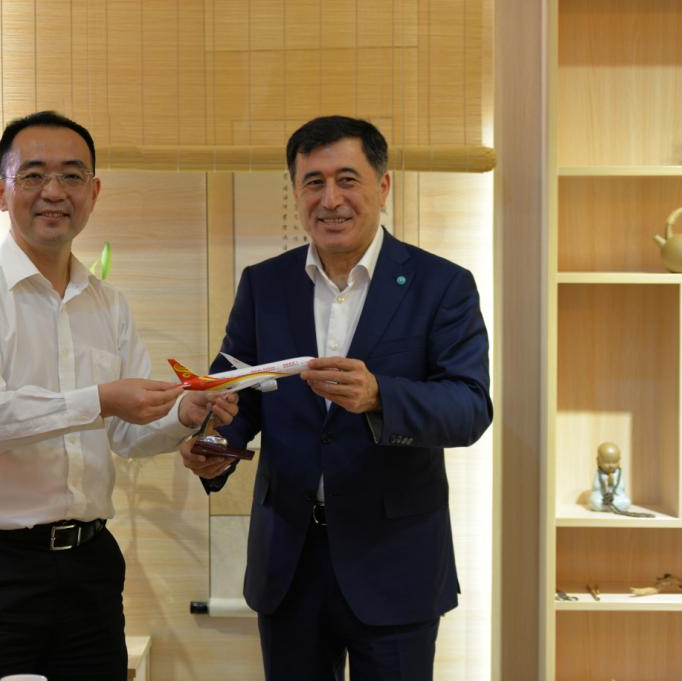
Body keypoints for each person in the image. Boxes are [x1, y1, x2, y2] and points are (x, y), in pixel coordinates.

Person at [0, 110, 237, 681]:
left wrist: (183, 415)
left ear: (93, 194)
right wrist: (102, 399)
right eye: (33, 175)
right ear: (1, 191)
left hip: (89, 566)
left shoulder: (108, 304)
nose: (54, 191)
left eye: (72, 176)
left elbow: (126, 434)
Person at [180, 115, 492, 681]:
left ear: (383, 185)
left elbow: (469, 408)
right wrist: (214, 444)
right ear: (296, 192)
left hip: (395, 562)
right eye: (313, 182)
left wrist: (380, 396)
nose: (330, 200)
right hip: (289, 562)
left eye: (347, 180)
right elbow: (237, 394)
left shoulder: (442, 285)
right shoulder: (264, 284)